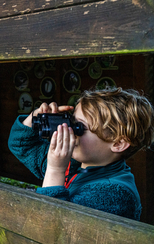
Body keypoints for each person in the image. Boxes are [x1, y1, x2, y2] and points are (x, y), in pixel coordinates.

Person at [8, 87, 154, 220]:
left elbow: (49, 224)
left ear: (118, 144)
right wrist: (35, 117)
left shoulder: (116, 194)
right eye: (71, 121)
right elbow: (20, 144)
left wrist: (55, 170)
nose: (71, 132)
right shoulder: (74, 164)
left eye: (79, 127)